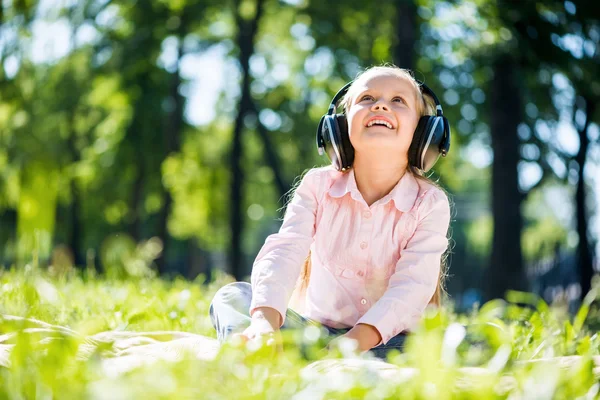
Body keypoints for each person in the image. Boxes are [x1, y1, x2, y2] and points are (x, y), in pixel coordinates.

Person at [209, 65, 453, 360]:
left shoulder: (429, 202)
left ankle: (316, 362)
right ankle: (261, 350)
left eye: (398, 101)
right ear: (340, 126)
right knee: (233, 296)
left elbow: (413, 287)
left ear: (423, 133)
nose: (380, 105)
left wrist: (352, 343)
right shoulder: (317, 186)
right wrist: (264, 323)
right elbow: (285, 250)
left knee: (464, 341)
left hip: (387, 341)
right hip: (317, 334)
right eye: (366, 98)